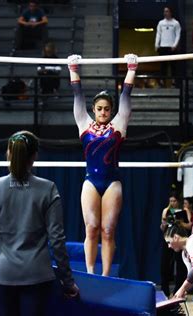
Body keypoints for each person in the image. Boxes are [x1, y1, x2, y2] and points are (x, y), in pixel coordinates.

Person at [0, 131, 79, 315]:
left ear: (9, 154)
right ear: (34, 156)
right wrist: (68, 282)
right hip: (37, 276)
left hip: (4, 275)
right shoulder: (48, 189)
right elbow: (57, 239)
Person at [68, 53, 137, 276]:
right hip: (91, 181)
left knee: (108, 231)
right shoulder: (84, 124)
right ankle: (90, 272)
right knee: (91, 228)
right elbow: (77, 94)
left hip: (112, 182)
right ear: (94, 109)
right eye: (99, 109)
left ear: (111, 110)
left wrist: (132, 68)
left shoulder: (118, 124)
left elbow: (126, 95)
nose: (103, 112)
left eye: (107, 109)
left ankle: (106, 275)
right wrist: (73, 67)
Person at [160, 193, 190, 296]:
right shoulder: (166, 210)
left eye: (174, 201)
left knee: (180, 265)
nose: (172, 203)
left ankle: (179, 288)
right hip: (169, 238)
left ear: (178, 201)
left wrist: (180, 222)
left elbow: (190, 225)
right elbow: (162, 227)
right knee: (165, 264)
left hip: (178, 238)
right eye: (170, 201)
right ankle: (165, 289)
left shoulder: (184, 210)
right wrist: (164, 220)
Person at [155, 6, 181, 87]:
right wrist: (156, 44)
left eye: (167, 11)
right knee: (163, 66)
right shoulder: (161, 23)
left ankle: (174, 82)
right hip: (163, 47)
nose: (165, 13)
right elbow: (158, 34)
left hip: (171, 47)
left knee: (173, 66)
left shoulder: (175, 23)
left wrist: (175, 45)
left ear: (171, 12)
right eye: (164, 11)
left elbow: (178, 35)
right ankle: (162, 82)